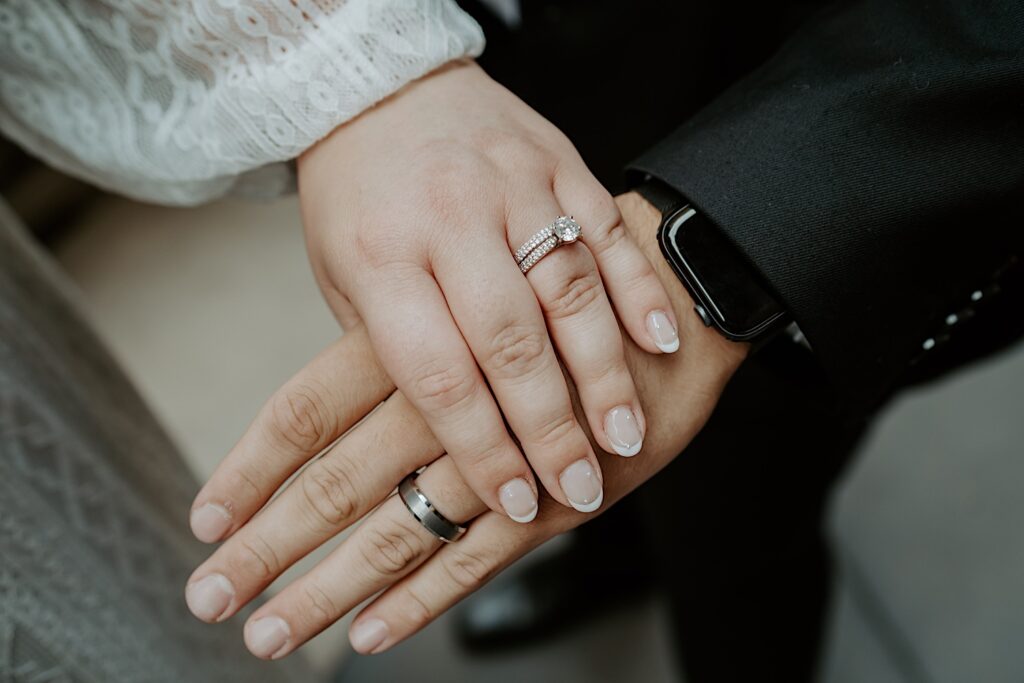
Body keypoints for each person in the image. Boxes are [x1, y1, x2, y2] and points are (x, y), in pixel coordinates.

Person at [2, 2, 1022, 683]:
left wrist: (738, 237)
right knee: (540, 425)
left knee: (736, 515)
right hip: (504, 60)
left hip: (772, 82)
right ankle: (611, 553)